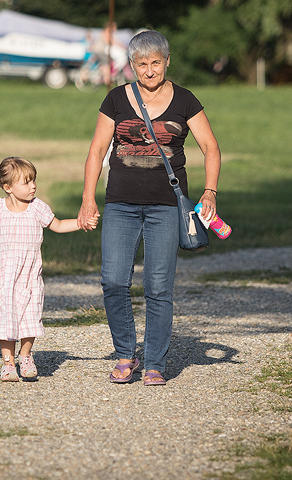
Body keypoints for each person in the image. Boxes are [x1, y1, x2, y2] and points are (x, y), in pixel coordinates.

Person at [78, 30, 221, 386]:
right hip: (120, 204)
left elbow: (211, 148)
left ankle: (155, 361)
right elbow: (96, 151)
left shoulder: (186, 100)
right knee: (113, 280)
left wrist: (210, 192)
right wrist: (87, 199)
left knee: (158, 286)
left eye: (156, 62)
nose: (150, 70)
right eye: (142, 64)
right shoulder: (115, 99)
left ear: (167, 61)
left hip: (166, 207)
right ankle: (126, 354)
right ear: (131, 66)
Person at [0, 157, 97, 381]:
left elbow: (57, 225)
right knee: (6, 318)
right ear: (8, 187)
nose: (33, 186)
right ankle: (8, 363)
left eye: (34, 181)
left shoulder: (38, 207)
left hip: (30, 274)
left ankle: (26, 356)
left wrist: (80, 223)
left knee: (30, 317)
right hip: (5, 275)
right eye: (27, 182)